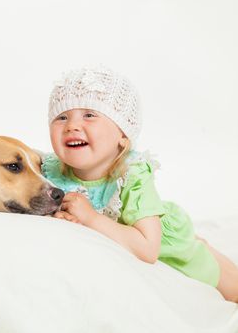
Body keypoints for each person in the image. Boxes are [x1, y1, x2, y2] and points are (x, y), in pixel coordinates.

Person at [42, 65, 238, 302]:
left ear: (123, 135)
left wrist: (91, 218)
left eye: (90, 115)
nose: (71, 125)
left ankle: (201, 246)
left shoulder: (132, 175)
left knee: (231, 287)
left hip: (167, 247)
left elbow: (148, 249)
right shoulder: (48, 170)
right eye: (61, 117)